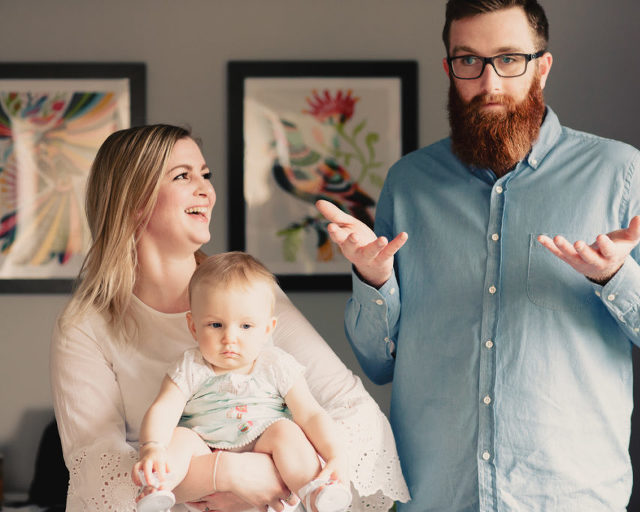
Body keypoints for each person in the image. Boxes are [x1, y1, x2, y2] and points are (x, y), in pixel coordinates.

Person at [315, 0, 640, 510]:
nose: (489, 83)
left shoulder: (620, 174)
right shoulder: (408, 184)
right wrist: (373, 282)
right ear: (449, 68)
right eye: (468, 61)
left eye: (508, 59)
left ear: (542, 66)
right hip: (434, 499)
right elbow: (378, 364)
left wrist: (618, 276)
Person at [51, 124, 410, 511]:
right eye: (183, 176)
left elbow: (357, 415)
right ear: (134, 200)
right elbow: (96, 471)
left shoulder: (251, 297)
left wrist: (273, 472)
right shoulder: (85, 327)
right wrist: (229, 474)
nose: (206, 190)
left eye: (205, 175)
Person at [133, 252, 352, 512]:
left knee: (287, 430)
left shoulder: (276, 365)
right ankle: (157, 485)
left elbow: (311, 413)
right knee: (180, 436)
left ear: (268, 328)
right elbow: (164, 408)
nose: (230, 338)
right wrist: (152, 447)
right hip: (206, 451)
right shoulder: (191, 366)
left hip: (264, 448)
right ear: (193, 326)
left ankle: (317, 491)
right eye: (216, 325)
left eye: (246, 326)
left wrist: (335, 455)